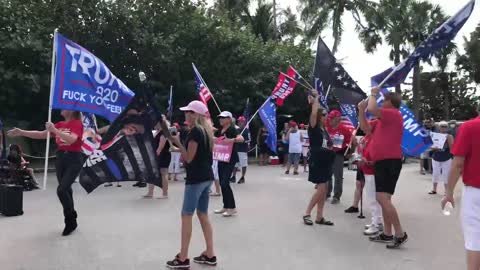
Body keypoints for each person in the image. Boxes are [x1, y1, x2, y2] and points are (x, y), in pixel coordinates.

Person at [8, 110, 84, 236]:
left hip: (74, 159)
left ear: (71, 111)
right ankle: (72, 215)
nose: (61, 109)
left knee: (62, 189)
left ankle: (70, 219)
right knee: (66, 190)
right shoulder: (59, 124)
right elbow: (40, 134)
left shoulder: (77, 123)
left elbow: (72, 140)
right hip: (61, 158)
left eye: (64, 107)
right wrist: (21, 132)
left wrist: (55, 130)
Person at [166, 100, 217, 269]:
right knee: (202, 214)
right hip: (206, 177)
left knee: (186, 215)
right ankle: (210, 254)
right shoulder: (206, 131)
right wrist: (178, 144)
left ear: (195, 114)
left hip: (196, 179)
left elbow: (188, 158)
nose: (186, 114)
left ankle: (183, 258)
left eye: (189, 111)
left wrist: (178, 142)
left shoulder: (195, 132)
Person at [358, 87, 408, 249]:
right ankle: (387, 233)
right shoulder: (381, 121)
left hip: (389, 161)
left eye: (383, 100)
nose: (381, 102)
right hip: (383, 162)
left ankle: (399, 233)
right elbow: (364, 127)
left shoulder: (393, 114)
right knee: (384, 198)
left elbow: (372, 109)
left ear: (390, 103)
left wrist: (373, 94)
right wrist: (360, 110)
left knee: (382, 198)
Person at [442, 103, 480, 270]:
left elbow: (457, 164)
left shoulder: (470, 127)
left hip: (475, 193)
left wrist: (448, 193)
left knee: (474, 241)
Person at [302, 91, 335, 227]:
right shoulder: (314, 127)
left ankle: (319, 216)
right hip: (317, 159)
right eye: (324, 114)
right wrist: (316, 99)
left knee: (324, 188)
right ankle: (307, 213)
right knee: (321, 188)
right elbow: (314, 113)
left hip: (326, 159)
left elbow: (328, 144)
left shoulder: (323, 130)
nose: (326, 116)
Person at [214, 111, 244, 217]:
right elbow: (215, 139)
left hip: (230, 159)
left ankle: (232, 207)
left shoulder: (232, 129)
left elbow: (241, 139)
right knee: (222, 182)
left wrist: (231, 140)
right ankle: (225, 206)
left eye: (223, 117)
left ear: (229, 119)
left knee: (225, 182)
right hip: (221, 158)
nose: (221, 119)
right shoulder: (220, 130)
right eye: (220, 117)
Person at [325, 110, 354, 204]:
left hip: (338, 154)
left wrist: (351, 152)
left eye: (332, 118)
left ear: (338, 118)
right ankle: (327, 192)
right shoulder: (327, 127)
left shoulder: (345, 129)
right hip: (328, 153)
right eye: (330, 118)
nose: (330, 120)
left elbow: (352, 142)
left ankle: (337, 196)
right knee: (327, 174)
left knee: (338, 175)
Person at [144, 119, 171, 199]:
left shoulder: (163, 133)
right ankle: (150, 192)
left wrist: (155, 155)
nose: (154, 125)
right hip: (160, 154)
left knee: (163, 174)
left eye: (155, 123)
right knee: (153, 173)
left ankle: (165, 194)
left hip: (162, 155)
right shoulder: (159, 132)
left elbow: (160, 146)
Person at [429, 121, 454, 195]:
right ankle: (434, 189)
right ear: (439, 127)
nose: (443, 128)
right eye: (442, 126)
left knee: (446, 174)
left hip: (446, 157)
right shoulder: (434, 135)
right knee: (435, 173)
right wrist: (434, 148)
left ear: (447, 127)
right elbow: (430, 146)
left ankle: (446, 191)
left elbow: (452, 148)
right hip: (436, 157)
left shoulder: (449, 136)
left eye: (445, 126)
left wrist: (448, 140)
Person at [234, 116, 250, 184]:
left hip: (243, 150)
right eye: (238, 121)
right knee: (235, 164)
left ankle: (242, 177)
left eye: (241, 121)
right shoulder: (236, 130)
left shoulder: (246, 130)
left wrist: (243, 141)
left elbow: (249, 140)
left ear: (244, 122)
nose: (239, 123)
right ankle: (233, 176)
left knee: (243, 164)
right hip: (236, 149)